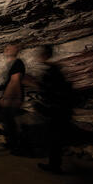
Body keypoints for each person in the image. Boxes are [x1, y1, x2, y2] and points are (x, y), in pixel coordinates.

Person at [32, 46, 73, 174]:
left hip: (56, 109)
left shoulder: (52, 70)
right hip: (59, 108)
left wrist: (34, 84)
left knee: (54, 137)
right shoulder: (54, 69)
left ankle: (54, 166)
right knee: (54, 137)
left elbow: (51, 90)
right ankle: (54, 164)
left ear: (44, 55)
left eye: (40, 54)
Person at [0, 44, 25, 153]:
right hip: (10, 97)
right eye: (6, 48)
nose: (6, 49)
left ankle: (17, 146)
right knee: (7, 121)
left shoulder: (17, 63)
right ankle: (11, 143)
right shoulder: (11, 64)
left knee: (12, 122)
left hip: (12, 97)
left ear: (17, 49)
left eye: (10, 47)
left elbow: (15, 81)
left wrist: (12, 97)